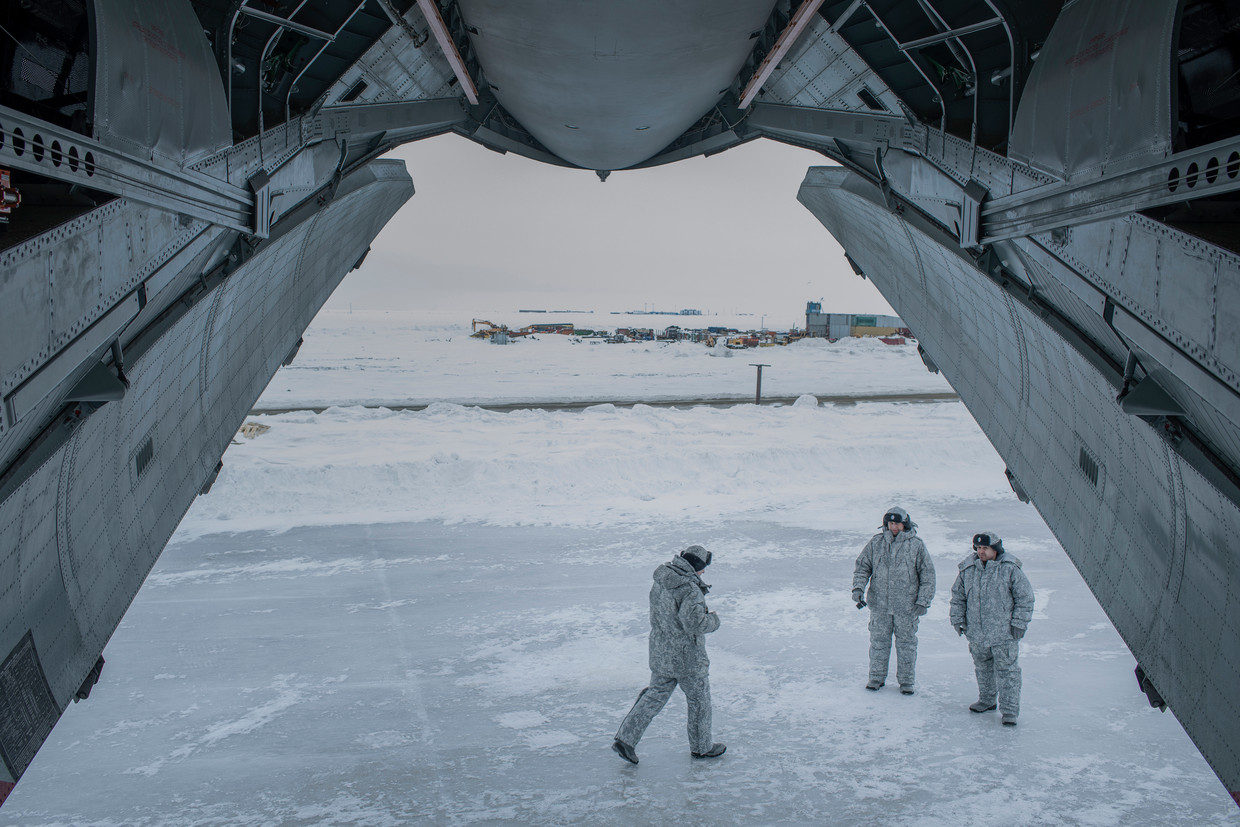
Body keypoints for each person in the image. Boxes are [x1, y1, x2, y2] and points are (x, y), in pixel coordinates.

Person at [612, 545, 725, 764]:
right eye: (703, 569)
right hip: (687, 658)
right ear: (696, 566)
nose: (703, 573)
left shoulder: (663, 581)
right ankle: (702, 747)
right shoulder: (689, 589)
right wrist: (714, 620)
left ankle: (625, 739)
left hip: (661, 651)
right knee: (699, 700)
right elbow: (694, 623)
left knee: (654, 695)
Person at [949, 531, 1035, 726]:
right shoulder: (968, 569)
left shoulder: (1009, 569)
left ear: (995, 549)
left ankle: (1010, 710)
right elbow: (958, 597)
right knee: (983, 668)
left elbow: (1025, 598)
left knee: (1008, 672)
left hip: (1004, 634)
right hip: (977, 633)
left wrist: (1019, 623)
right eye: (978, 548)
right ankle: (987, 700)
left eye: (985, 548)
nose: (981, 552)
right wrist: (957, 619)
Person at [851, 506, 935, 694]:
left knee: (906, 645)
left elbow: (927, 576)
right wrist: (858, 588)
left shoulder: (916, 545)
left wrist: (923, 601)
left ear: (904, 524)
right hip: (879, 605)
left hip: (907, 607)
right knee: (879, 643)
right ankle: (876, 678)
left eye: (897, 523)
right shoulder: (876, 543)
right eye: (890, 523)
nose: (893, 527)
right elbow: (863, 567)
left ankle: (906, 681)